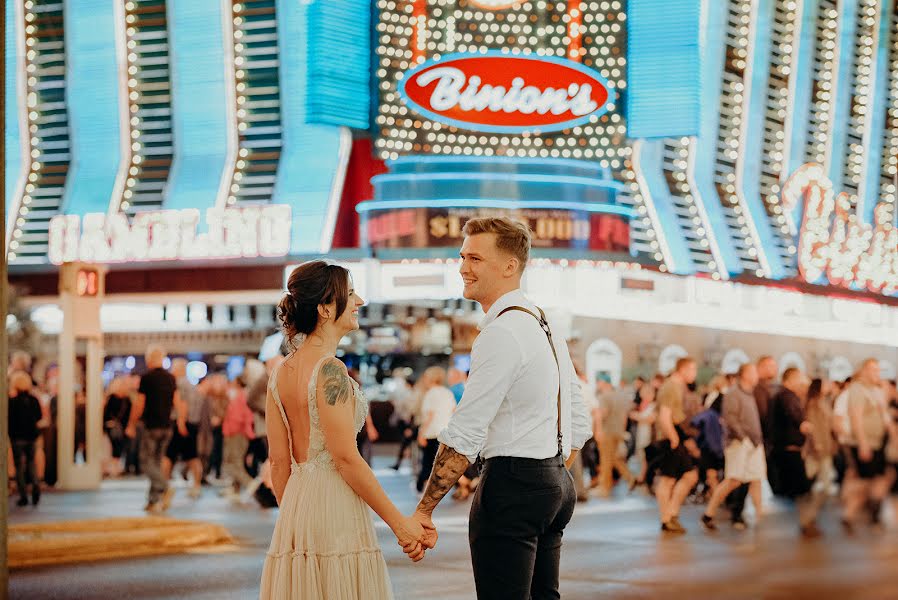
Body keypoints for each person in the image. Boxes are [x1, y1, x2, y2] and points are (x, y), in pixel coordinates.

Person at [410, 217, 593, 599]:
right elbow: (579, 420)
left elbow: (464, 433)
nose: (463, 267)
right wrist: (550, 474)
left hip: (512, 485)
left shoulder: (502, 332)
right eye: (462, 256)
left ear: (510, 266)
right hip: (555, 482)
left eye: (475, 258)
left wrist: (424, 511)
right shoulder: (543, 324)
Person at [260, 261, 428, 599]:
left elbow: (279, 462)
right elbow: (346, 459)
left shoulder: (280, 374)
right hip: (333, 505)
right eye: (350, 293)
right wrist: (400, 524)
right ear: (324, 308)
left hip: (297, 504)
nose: (360, 301)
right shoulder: (331, 371)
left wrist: (293, 517)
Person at [702, 363, 766, 531]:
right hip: (739, 444)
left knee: (756, 478)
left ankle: (761, 516)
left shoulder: (749, 393)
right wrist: (743, 437)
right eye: (753, 371)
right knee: (733, 480)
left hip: (754, 443)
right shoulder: (733, 393)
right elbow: (730, 418)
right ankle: (709, 513)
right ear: (744, 374)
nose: (756, 375)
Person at [126, 346, 185, 513]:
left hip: (151, 426)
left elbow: (139, 403)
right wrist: (180, 421)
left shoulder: (147, 378)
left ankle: (165, 486)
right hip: (167, 427)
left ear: (149, 359)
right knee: (157, 463)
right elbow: (177, 401)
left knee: (146, 462)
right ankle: (153, 500)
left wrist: (131, 424)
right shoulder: (170, 378)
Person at [841, 358, 895, 532]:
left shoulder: (875, 390)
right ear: (863, 371)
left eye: (878, 370)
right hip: (864, 443)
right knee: (864, 481)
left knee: (880, 478)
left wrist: (893, 434)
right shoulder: (857, 389)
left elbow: (884, 416)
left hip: (877, 443)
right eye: (873, 370)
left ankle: (872, 510)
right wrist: (863, 443)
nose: (876, 373)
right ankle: (849, 515)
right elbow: (855, 418)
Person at [653, 357, 701, 534]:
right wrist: (673, 439)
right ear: (683, 369)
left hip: (675, 435)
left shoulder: (676, 386)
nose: (694, 374)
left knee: (689, 476)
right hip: (671, 437)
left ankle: (671, 514)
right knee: (667, 480)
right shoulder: (672, 386)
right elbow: (664, 416)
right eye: (693, 370)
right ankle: (667, 518)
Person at [797, 378, 838, 537]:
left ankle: (809, 518)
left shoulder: (823, 402)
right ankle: (806, 519)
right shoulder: (813, 404)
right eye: (826, 384)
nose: (829, 386)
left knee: (823, 487)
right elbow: (813, 426)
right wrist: (817, 444)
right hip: (816, 451)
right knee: (809, 486)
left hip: (825, 450)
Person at [162, 359, 206, 499]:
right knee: (192, 456)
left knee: (168, 455)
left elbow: (182, 403)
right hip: (193, 424)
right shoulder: (193, 385)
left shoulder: (179, 384)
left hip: (182, 424)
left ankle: (164, 486)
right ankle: (197, 486)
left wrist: (180, 422)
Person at [415, 366, 456, 493]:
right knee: (444, 463)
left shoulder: (430, 394)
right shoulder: (448, 392)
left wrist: (421, 433)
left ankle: (424, 490)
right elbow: (454, 410)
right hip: (446, 433)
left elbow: (429, 416)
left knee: (428, 463)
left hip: (432, 433)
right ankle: (463, 482)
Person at [8, 371, 43, 507]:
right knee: (31, 463)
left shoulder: (12, 402)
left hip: (17, 438)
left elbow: (8, 421)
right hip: (31, 436)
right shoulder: (33, 400)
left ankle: (23, 496)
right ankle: (35, 486)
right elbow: (39, 417)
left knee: (19, 466)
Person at [596, 382, 636, 496]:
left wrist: (597, 428)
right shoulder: (620, 397)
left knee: (605, 460)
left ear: (604, 383)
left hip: (607, 431)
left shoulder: (604, 397)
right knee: (614, 458)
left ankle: (605, 488)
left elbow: (603, 413)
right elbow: (624, 416)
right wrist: (621, 431)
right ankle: (630, 478)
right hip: (617, 432)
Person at [221, 376, 255, 500]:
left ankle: (250, 484)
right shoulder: (242, 395)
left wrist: (230, 431)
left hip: (236, 433)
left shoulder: (239, 396)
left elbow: (238, 417)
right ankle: (236, 489)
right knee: (237, 461)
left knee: (232, 462)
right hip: (239, 432)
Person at [102, 377, 132, 477]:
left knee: (117, 448)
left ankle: (114, 468)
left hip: (119, 428)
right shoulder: (116, 398)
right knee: (115, 448)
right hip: (116, 427)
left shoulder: (125, 399)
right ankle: (113, 468)